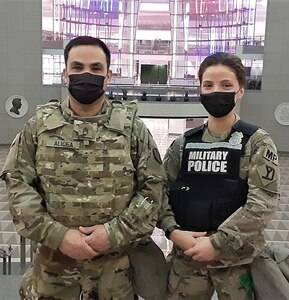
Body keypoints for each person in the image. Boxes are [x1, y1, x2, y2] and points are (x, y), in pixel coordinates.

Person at [1, 36, 166, 300]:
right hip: (54, 272)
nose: (86, 75)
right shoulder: (38, 126)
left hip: (115, 275)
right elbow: (18, 186)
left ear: (108, 76)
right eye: (77, 68)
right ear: (65, 74)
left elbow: (153, 189)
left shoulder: (132, 128)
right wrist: (58, 235)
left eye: (96, 68)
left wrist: (114, 232)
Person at [158, 52, 280, 299]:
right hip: (188, 259)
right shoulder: (183, 144)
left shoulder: (257, 143)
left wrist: (216, 243)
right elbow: (158, 192)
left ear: (240, 91)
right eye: (208, 85)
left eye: (226, 85)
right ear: (200, 91)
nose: (216, 91)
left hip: (237, 263)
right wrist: (172, 230)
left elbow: (263, 204)